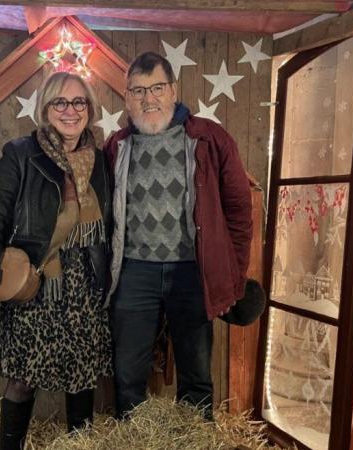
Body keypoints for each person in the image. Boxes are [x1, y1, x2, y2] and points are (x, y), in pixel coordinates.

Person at [0, 71, 113, 450]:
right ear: (45, 110)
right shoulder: (20, 154)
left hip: (84, 283)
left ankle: (78, 445)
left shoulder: (100, 158)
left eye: (78, 102)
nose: (70, 110)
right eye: (59, 102)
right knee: (22, 378)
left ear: (89, 109)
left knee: (81, 376)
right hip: (38, 280)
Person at [104, 52, 253, 420]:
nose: (148, 98)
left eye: (156, 87)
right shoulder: (116, 147)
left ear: (173, 90)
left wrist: (232, 272)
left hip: (192, 270)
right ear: (127, 97)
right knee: (127, 370)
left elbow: (238, 210)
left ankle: (195, 437)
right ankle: (132, 438)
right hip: (133, 270)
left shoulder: (209, 138)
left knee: (197, 369)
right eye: (138, 90)